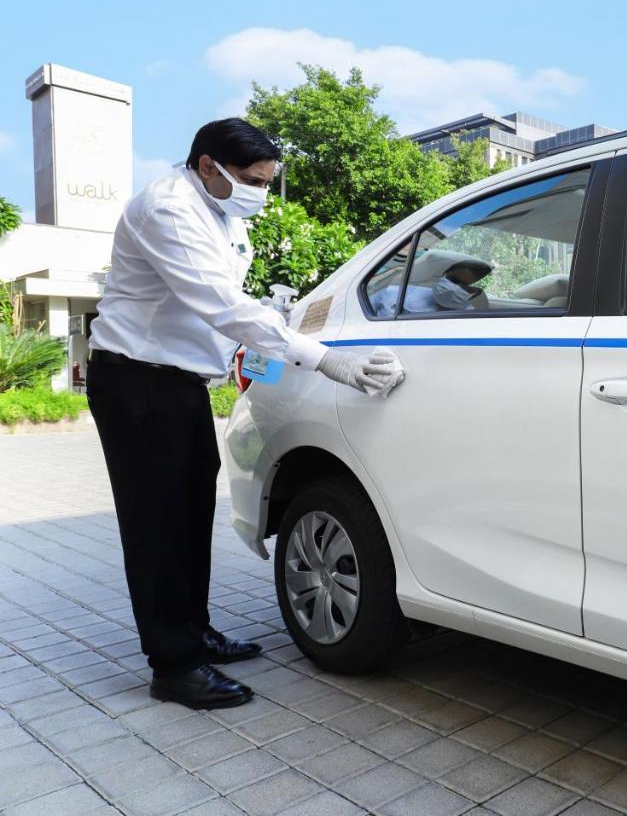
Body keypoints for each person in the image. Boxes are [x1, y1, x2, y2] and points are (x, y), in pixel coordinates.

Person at [87, 118, 404, 710]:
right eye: (253, 179)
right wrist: (322, 359)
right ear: (208, 166)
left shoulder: (221, 211)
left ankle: (195, 632)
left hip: (176, 383)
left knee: (188, 514)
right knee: (156, 525)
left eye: (267, 179)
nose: (261, 190)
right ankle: (174, 667)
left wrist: (279, 317)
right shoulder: (168, 209)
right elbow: (219, 304)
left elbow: (236, 302)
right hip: (136, 383)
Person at [369, 250, 492, 316]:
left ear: (475, 292)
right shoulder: (396, 293)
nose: (454, 288)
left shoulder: (468, 317)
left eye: (464, 286)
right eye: (454, 280)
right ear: (444, 273)